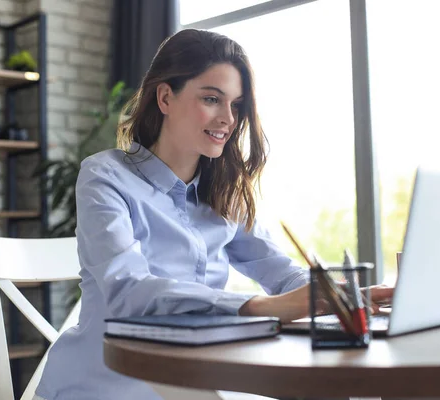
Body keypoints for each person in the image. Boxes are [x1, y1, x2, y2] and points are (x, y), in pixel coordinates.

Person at [35, 29, 393, 400]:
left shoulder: (222, 191)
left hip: (192, 384)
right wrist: (255, 307)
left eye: (236, 105)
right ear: (165, 97)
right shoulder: (105, 175)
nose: (228, 118)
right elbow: (127, 290)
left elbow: (279, 272)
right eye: (211, 99)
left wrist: (341, 294)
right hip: (102, 388)